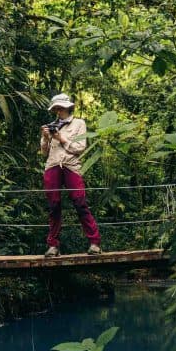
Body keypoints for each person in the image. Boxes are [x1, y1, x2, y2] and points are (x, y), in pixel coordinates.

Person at [40, 93, 101, 258]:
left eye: (60, 107)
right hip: (52, 166)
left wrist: (61, 139)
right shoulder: (51, 126)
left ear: (68, 107)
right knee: (53, 206)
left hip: (71, 166)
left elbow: (80, 148)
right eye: (55, 108)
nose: (58, 110)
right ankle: (53, 246)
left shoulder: (79, 123)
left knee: (80, 203)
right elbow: (44, 152)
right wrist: (46, 138)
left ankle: (94, 242)